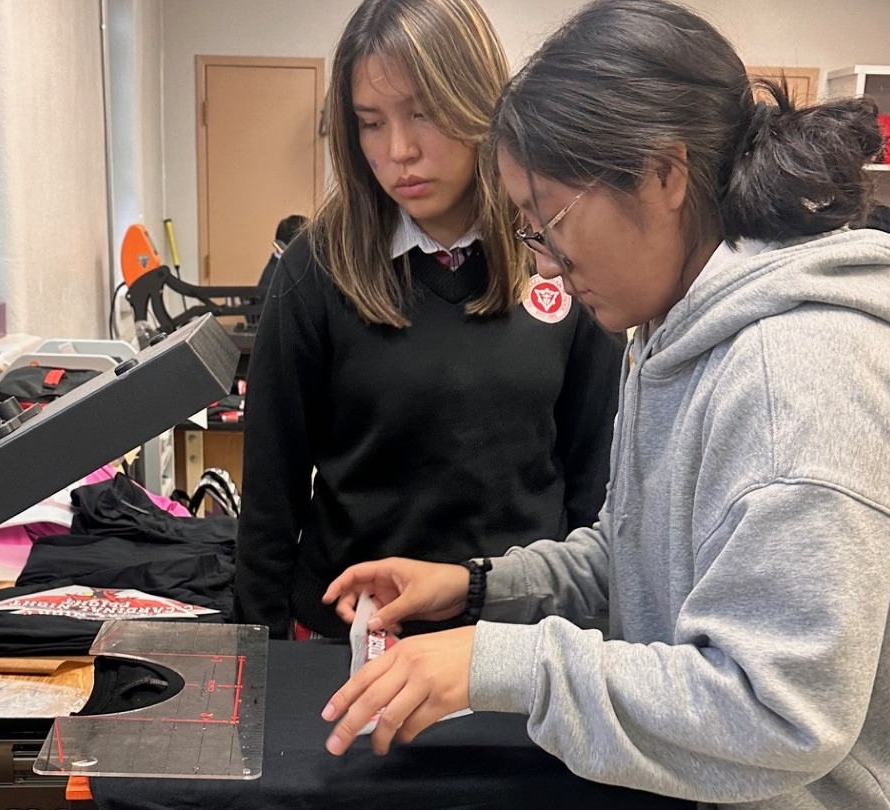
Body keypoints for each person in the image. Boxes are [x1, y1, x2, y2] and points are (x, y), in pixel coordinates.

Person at [318, 1, 890, 807]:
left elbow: (774, 712)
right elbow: (637, 554)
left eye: (548, 222)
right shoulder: (672, 332)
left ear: (664, 174)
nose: (551, 265)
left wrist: (495, 665)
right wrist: (477, 588)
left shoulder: (802, 376)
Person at [236, 0, 625, 641]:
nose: (399, 151)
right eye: (369, 123)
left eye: (424, 113)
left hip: (518, 637)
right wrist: (258, 657)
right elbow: (271, 488)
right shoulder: (316, 267)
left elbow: (594, 477)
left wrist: (595, 638)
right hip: (352, 640)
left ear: (479, 103)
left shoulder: (560, 255)